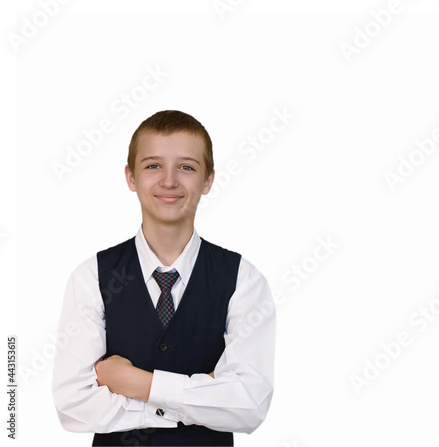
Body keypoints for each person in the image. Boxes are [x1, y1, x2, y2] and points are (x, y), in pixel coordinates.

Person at [51, 110, 276, 446]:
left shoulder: (244, 280)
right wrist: (202, 395)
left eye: (186, 167)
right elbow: (73, 404)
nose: (169, 181)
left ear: (208, 180)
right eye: (153, 165)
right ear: (131, 177)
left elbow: (248, 405)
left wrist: (135, 383)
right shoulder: (91, 277)